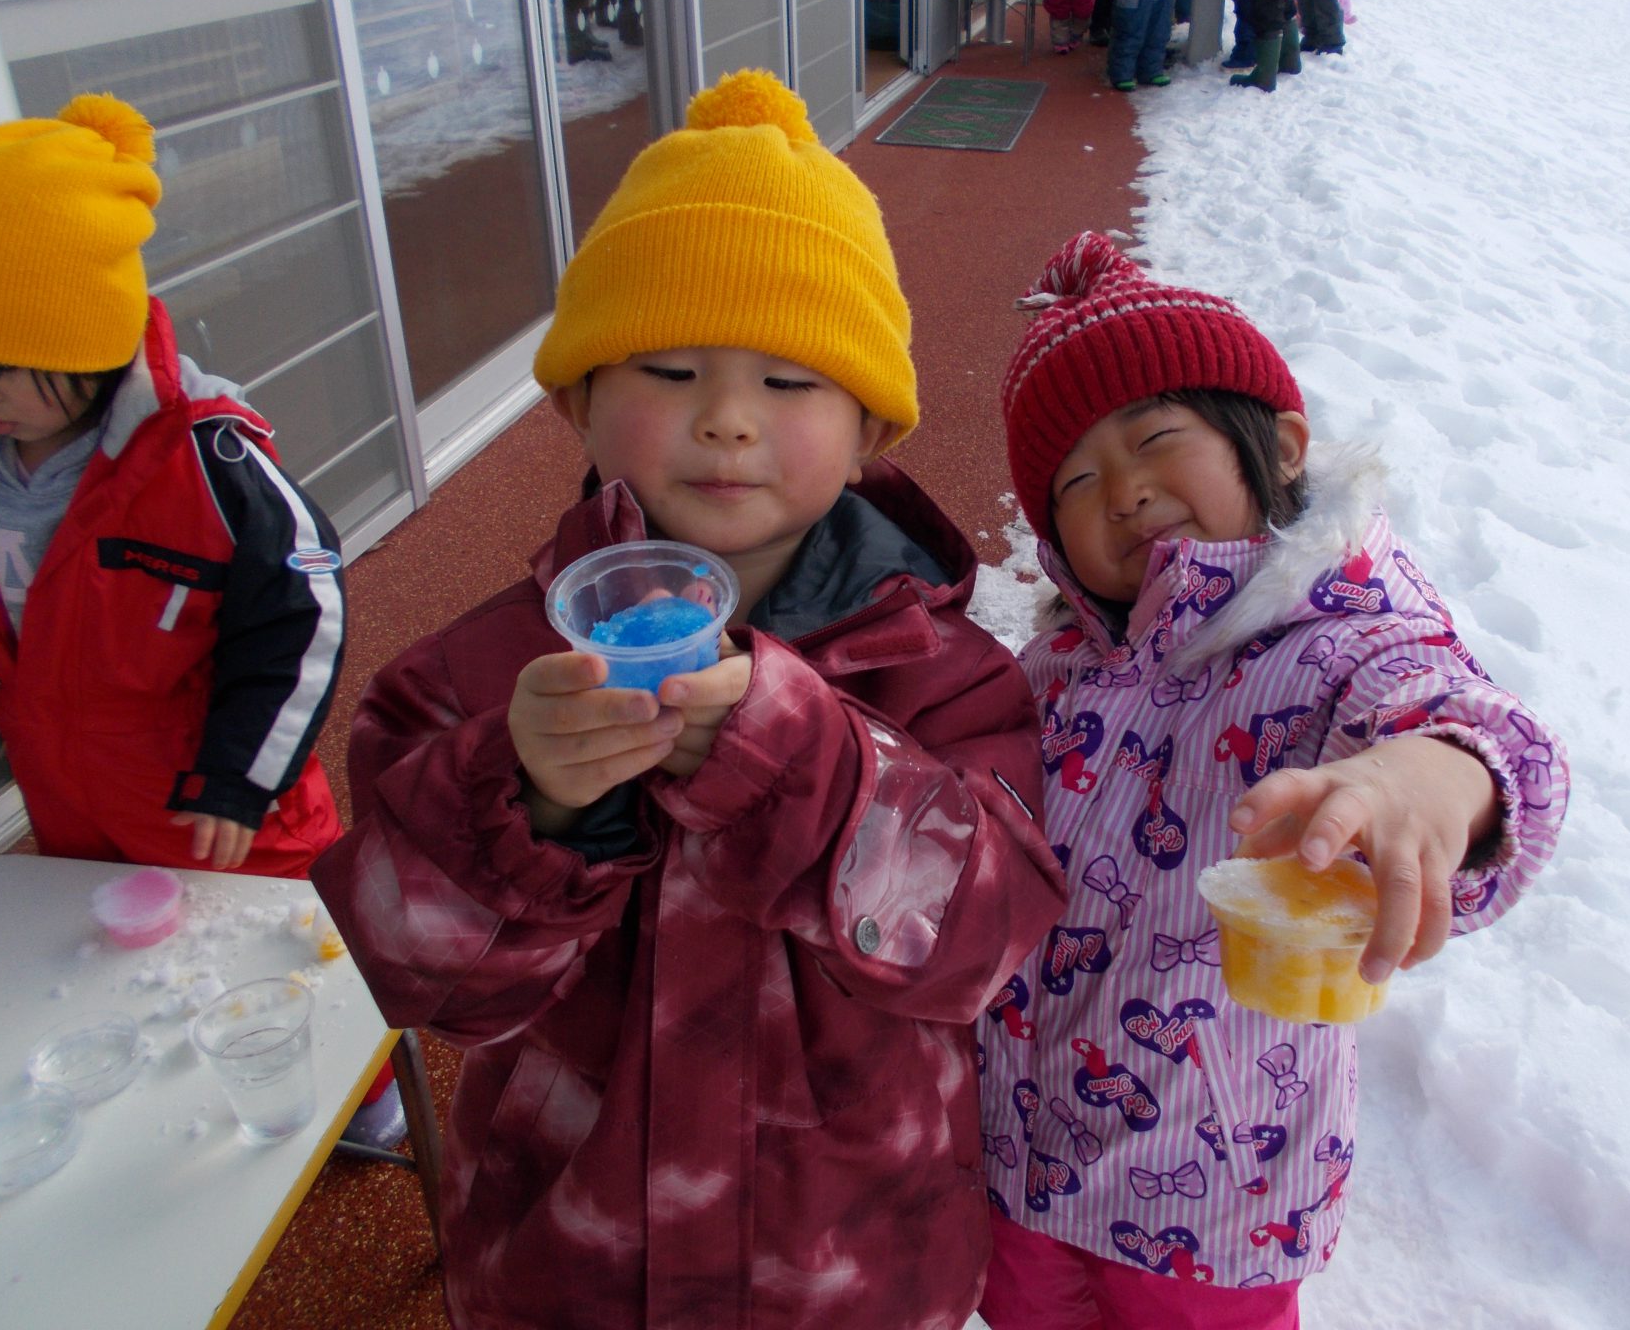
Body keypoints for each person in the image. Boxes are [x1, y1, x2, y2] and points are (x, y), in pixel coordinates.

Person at [310, 70, 1067, 1330]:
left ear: (874, 426)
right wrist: (535, 800)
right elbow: (413, 979)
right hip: (571, 1267)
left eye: (788, 383)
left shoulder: (944, 677)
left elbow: (985, 950)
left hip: (849, 1264)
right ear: (575, 401)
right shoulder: (476, 675)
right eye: (668, 369)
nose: (726, 422)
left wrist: (800, 763)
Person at [976, 233, 1569, 1328]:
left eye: (1156, 439)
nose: (1127, 489)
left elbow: (1467, 723)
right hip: (1026, 1154)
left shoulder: (1338, 642)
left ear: (1280, 444)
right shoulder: (1050, 672)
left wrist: (1428, 785)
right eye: (1077, 480)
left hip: (1214, 1191)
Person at [0, 95, 345, 880]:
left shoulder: (204, 461)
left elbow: (301, 615)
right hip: (68, 794)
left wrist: (242, 776)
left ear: (93, 345)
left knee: (282, 969)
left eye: (4, 367)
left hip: (207, 807)